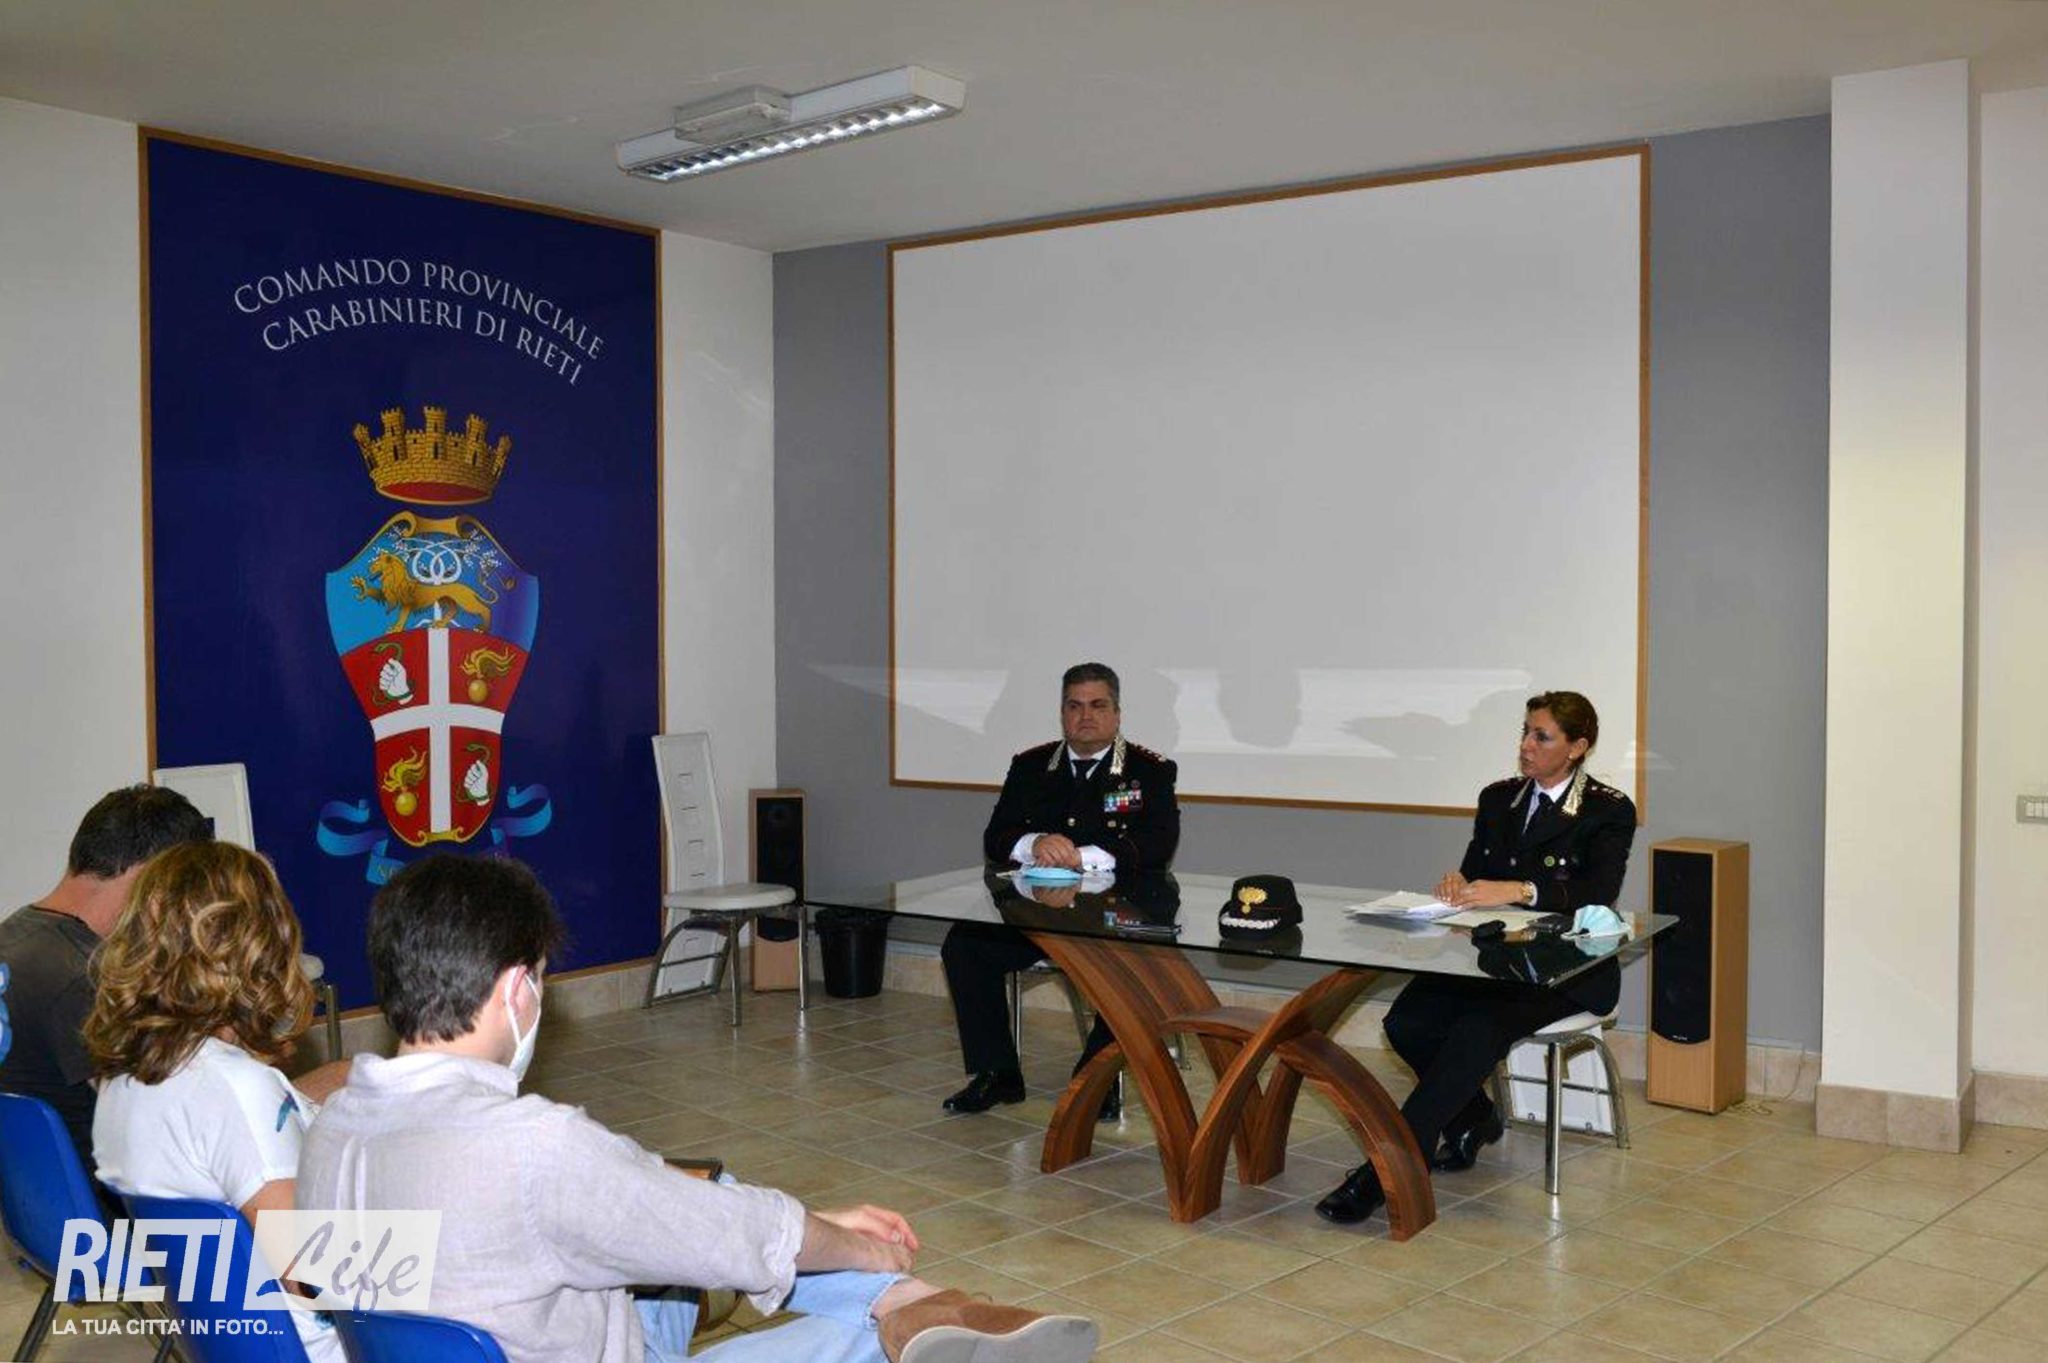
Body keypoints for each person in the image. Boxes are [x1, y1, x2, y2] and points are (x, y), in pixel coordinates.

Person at [298, 854, 1098, 1363]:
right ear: (515, 990)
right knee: (850, 1329)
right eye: (538, 978)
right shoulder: (533, 1147)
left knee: (698, 1200)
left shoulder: (329, 1131)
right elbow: (740, 1238)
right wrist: (857, 1246)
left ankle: (921, 1308)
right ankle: (910, 1310)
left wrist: (811, 1219)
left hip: (529, 1325)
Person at [1316, 690, 1638, 1225]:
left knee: (1475, 1032)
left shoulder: (1607, 809)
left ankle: (1385, 1171)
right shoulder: (1499, 798)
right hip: (1492, 960)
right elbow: (1474, 875)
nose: (1526, 745)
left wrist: (1521, 889)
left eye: (1542, 736)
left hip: (1564, 968)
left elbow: (1597, 893)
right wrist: (1458, 884)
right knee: (1407, 1022)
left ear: (1577, 747)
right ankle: (1473, 1118)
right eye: (1525, 732)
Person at [86, 841, 350, 1362]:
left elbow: (218, 1140)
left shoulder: (125, 1074)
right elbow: (312, 1273)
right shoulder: (235, 1088)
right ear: (262, 946)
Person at [940, 662, 1180, 1116]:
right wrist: (1034, 843)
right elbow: (996, 837)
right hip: (1040, 911)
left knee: (1130, 960)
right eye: (1075, 706)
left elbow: (1158, 843)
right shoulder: (1031, 766)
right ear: (1062, 713)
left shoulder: (1150, 771)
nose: (1085, 716)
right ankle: (997, 1073)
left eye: (1098, 705)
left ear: (1117, 714)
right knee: (965, 945)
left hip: (1121, 906)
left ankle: (1097, 1079)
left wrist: (1083, 855)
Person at [0, 784, 212, 1173]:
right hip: (111, 1204)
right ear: (155, 877)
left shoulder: (14, 936)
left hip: (35, 1200)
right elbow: (177, 1131)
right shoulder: (85, 981)